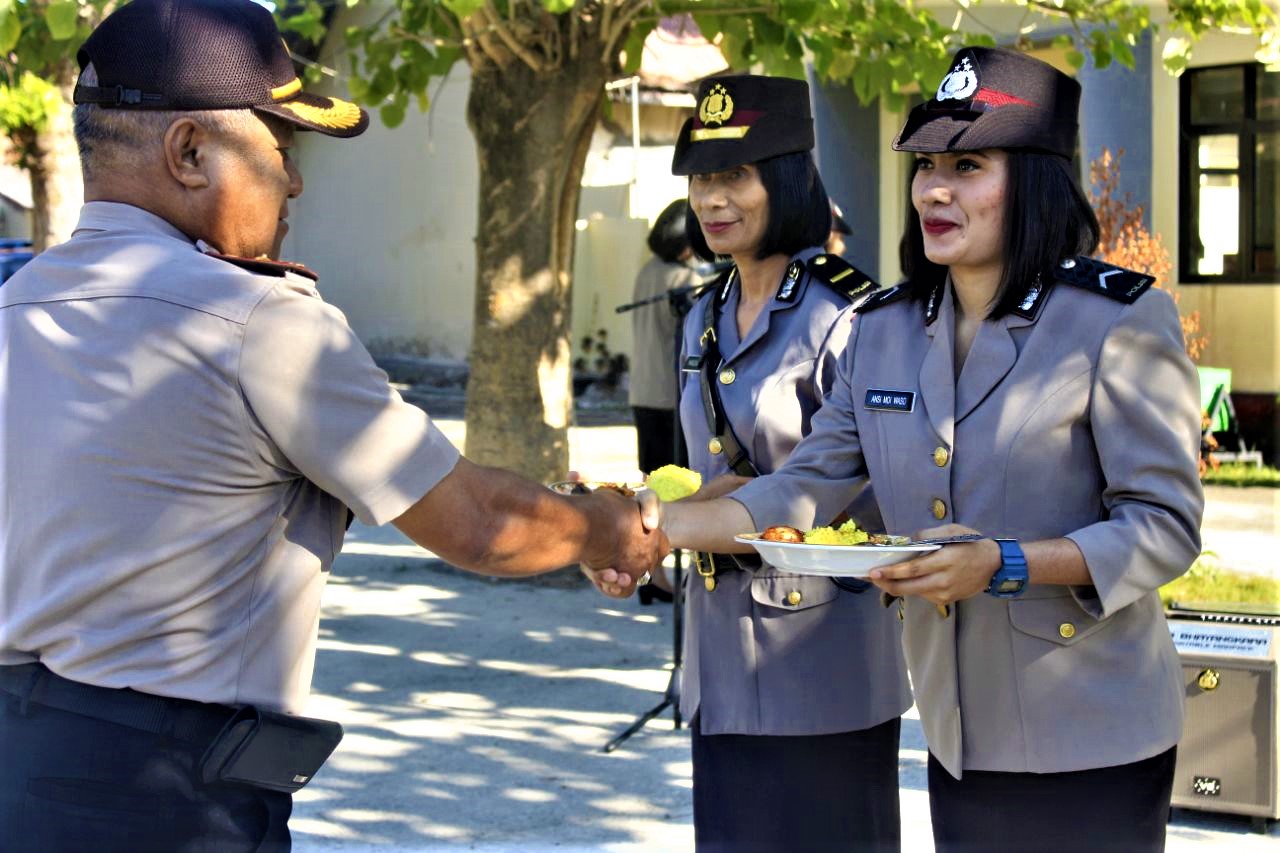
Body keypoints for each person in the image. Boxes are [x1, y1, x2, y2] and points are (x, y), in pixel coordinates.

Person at [0, 1, 666, 850]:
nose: (296, 181)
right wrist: (608, 527)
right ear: (191, 151)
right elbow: (481, 524)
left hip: (18, 767)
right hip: (165, 791)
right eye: (281, 146)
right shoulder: (253, 321)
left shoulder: (16, 306)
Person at [636, 48, 1203, 852]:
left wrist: (1005, 562)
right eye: (927, 164)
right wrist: (647, 522)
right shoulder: (885, 330)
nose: (935, 188)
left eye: (968, 165)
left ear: (1038, 176)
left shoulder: (1113, 321)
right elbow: (804, 487)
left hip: (1092, 729)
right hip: (958, 732)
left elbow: (1163, 528)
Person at [598, 74, 911, 853]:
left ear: (787, 176)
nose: (712, 199)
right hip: (721, 666)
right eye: (702, 178)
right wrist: (643, 550)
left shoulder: (849, 312)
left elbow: (857, 489)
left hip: (820, 665)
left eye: (735, 175)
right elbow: (706, 479)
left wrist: (668, 527)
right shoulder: (704, 311)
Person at [628, 198, 699, 478]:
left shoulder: (648, 270)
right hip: (672, 395)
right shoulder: (684, 279)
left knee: (651, 478)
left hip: (643, 391)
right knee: (676, 484)